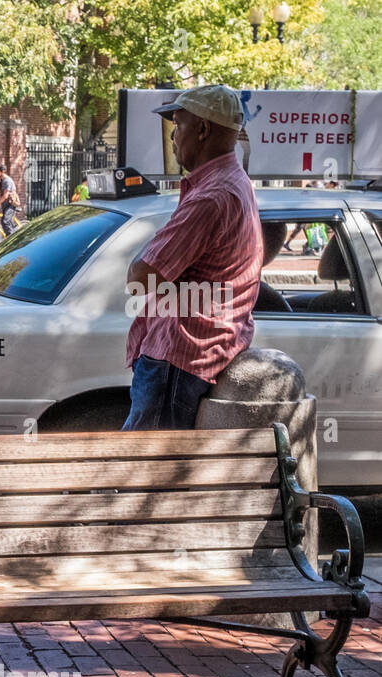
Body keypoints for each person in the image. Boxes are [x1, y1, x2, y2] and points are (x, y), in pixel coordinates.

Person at [123, 84, 261, 430]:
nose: (173, 137)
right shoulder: (232, 182)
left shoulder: (212, 196)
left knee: (145, 467)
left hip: (181, 352)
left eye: (178, 126)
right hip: (195, 349)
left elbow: (140, 278)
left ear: (202, 130)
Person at [0, 163, 21, 236]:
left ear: (2, 171)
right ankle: (15, 236)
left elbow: (5, 196)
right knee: (9, 222)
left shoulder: (7, 181)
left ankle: (11, 241)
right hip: (5, 204)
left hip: (11, 204)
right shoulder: (1, 181)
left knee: (5, 221)